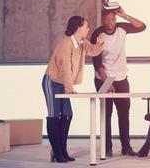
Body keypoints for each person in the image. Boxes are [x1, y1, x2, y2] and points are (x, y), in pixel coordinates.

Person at [42, 16, 104, 163]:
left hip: (64, 83)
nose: (88, 29)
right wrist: (69, 88)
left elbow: (93, 51)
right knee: (54, 116)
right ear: (78, 28)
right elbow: (65, 69)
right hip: (52, 82)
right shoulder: (65, 44)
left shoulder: (82, 42)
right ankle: (57, 152)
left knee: (67, 115)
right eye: (86, 26)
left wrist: (100, 45)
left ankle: (62, 150)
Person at [91, 4, 146, 157]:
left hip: (121, 78)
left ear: (115, 19)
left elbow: (142, 27)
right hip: (103, 78)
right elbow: (97, 63)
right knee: (106, 113)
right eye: (106, 19)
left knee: (123, 113)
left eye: (112, 19)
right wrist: (107, 83)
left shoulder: (122, 27)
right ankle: (107, 147)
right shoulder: (97, 34)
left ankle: (126, 147)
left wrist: (125, 15)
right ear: (102, 20)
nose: (110, 22)